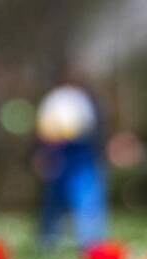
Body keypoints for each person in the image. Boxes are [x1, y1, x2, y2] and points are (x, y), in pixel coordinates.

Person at [35, 83, 108, 249]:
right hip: (58, 156)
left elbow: (98, 132)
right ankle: (48, 245)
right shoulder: (58, 100)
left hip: (83, 158)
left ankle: (92, 247)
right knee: (53, 205)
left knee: (88, 204)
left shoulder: (85, 103)